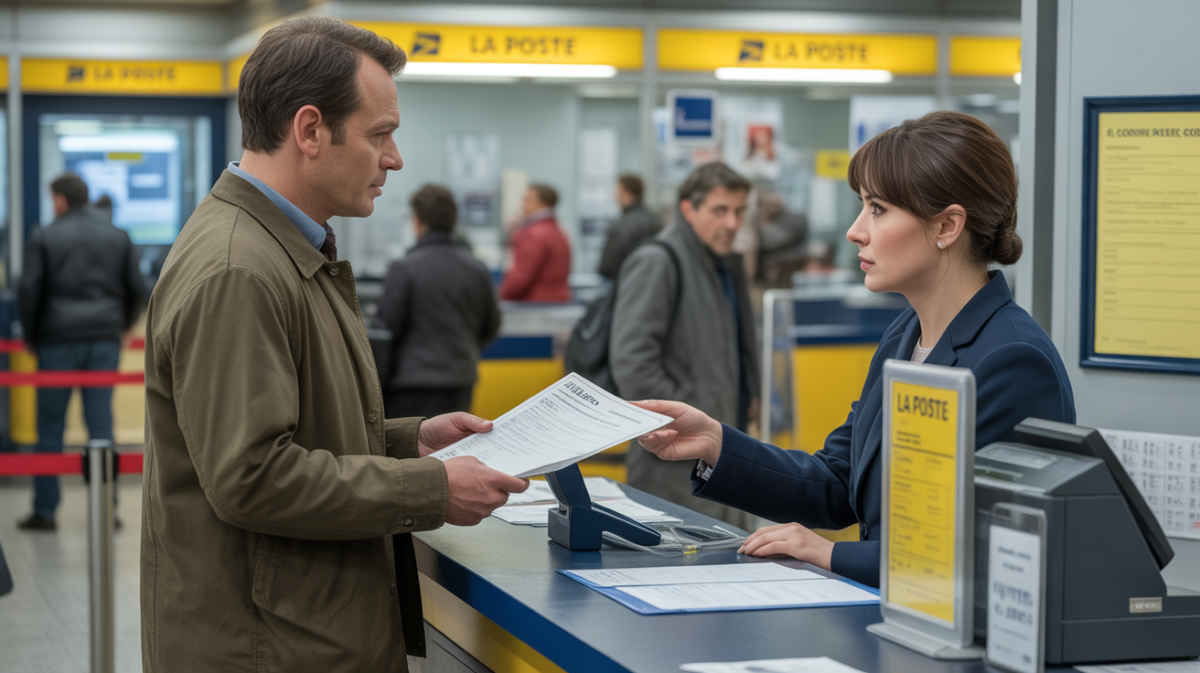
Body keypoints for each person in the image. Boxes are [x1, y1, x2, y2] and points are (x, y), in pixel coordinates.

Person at [141, 18, 527, 673]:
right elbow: (253, 477)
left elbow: (299, 428)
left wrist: (411, 439)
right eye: (381, 135)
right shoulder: (241, 268)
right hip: (269, 646)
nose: (395, 158)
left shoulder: (285, 248)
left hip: (299, 631)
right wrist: (430, 488)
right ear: (311, 130)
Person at [630, 111, 1076, 588]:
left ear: (947, 225)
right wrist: (719, 443)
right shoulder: (904, 336)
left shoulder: (1013, 361)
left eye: (877, 209)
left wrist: (833, 554)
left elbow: (982, 554)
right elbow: (839, 482)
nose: (855, 230)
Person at [610, 162, 759, 528]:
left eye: (739, 211)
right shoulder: (659, 261)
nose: (732, 223)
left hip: (723, 452)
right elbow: (632, 360)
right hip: (674, 461)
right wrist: (684, 421)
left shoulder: (724, 265)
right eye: (719, 211)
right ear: (688, 209)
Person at [16, 173, 145, 531]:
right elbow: (137, 287)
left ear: (59, 200)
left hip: (56, 341)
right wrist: (123, 325)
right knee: (101, 424)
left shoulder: (44, 234)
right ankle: (107, 509)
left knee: (50, 428)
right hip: (104, 339)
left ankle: (45, 510)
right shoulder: (117, 235)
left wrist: (32, 336)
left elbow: (29, 289)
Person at [379, 184, 500, 419]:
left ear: (417, 221)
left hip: (411, 385)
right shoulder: (477, 268)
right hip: (461, 380)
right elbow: (491, 325)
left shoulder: (404, 267)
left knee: (413, 452)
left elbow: (388, 328)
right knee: (454, 451)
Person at [500, 183, 571, 301]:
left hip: (533, 306)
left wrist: (499, 298)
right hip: (557, 302)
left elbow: (519, 279)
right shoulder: (558, 231)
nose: (522, 206)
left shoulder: (533, 234)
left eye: (526, 200)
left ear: (543, 204)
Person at [597, 173, 663, 281]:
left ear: (628, 193)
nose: (614, 195)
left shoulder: (623, 224)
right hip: (652, 280)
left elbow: (608, 265)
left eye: (617, 190)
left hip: (625, 281)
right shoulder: (655, 219)